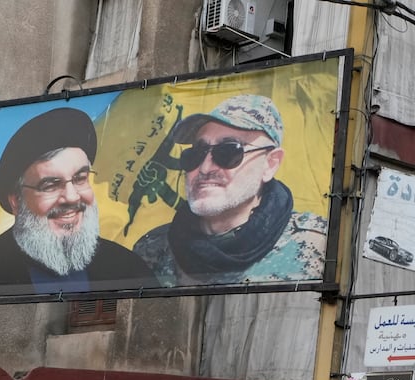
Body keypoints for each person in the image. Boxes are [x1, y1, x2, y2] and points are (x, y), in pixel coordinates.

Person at [0, 107, 156, 298]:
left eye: (80, 179)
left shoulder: (128, 268)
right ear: (16, 201)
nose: (71, 197)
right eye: (50, 185)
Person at [133, 94, 327, 286]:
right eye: (196, 153)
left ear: (270, 164)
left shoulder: (319, 243)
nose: (204, 168)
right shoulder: (151, 249)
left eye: (228, 152)